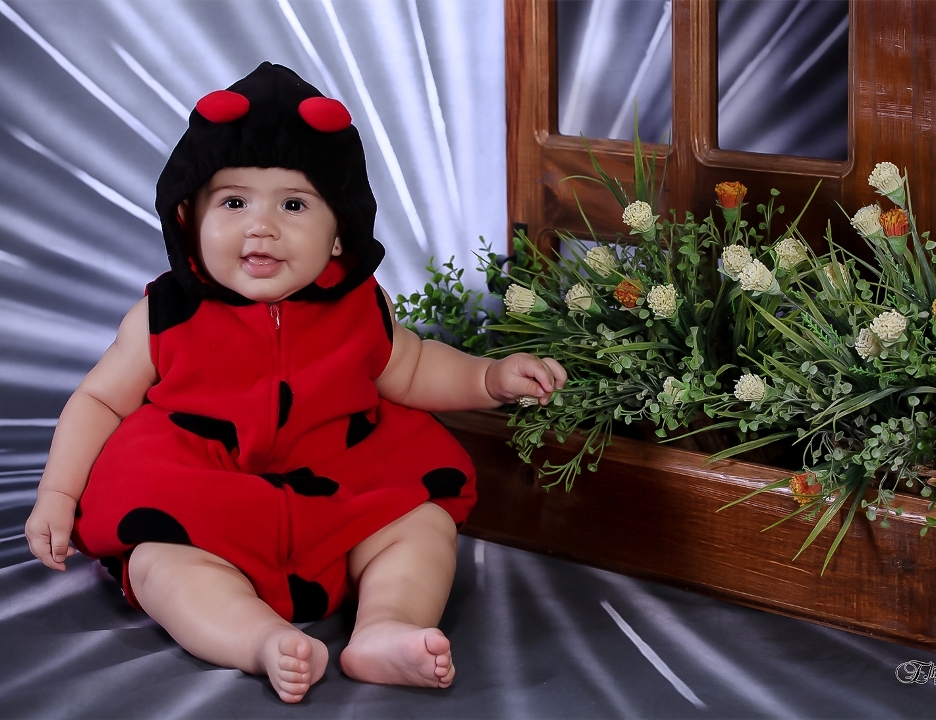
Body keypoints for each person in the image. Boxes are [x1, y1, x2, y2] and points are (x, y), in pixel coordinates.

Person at [23, 63, 566, 704]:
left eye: (294, 204)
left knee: (421, 523)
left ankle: (386, 625)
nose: (263, 225)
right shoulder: (164, 314)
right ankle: (256, 638)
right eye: (234, 203)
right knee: (158, 561)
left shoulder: (359, 306)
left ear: (338, 235)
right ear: (188, 219)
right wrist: (59, 492)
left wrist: (488, 378)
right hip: (205, 494)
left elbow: (414, 368)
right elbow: (99, 398)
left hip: (340, 486)